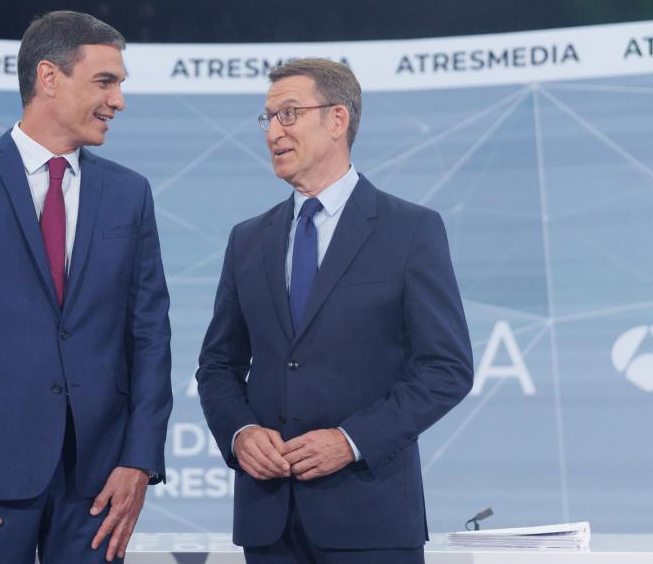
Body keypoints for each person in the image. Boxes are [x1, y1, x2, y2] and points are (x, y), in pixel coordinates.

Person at [0, 10, 172, 564]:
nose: (118, 100)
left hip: (100, 483)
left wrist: (139, 461)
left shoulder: (129, 194)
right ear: (49, 78)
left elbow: (151, 337)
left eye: (119, 85)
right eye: (105, 81)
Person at [195, 58, 474, 563]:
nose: (273, 131)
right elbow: (217, 365)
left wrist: (351, 440)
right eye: (268, 118)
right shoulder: (247, 240)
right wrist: (239, 433)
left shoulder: (410, 230)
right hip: (269, 522)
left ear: (338, 120)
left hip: (371, 519)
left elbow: (447, 369)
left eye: (289, 114)